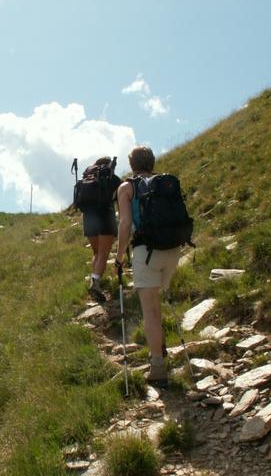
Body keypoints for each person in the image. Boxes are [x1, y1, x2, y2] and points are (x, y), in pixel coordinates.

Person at [114, 146, 181, 387]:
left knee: (150, 311)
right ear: (151, 162)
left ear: (132, 164)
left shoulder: (126, 187)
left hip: (146, 251)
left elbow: (125, 225)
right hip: (172, 249)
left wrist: (119, 256)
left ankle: (158, 367)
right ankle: (160, 347)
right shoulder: (166, 182)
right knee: (157, 302)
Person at [81, 157, 122, 301]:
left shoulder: (88, 178)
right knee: (103, 254)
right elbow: (121, 197)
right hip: (105, 216)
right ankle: (95, 282)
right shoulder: (112, 178)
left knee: (97, 253)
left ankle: (94, 279)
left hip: (88, 218)